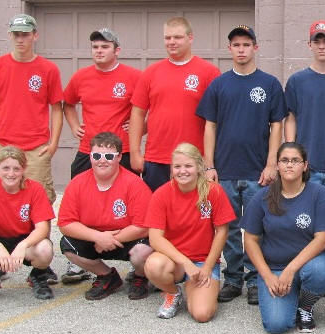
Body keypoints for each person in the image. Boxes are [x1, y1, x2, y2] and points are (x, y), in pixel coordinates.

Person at [196, 25, 286, 306]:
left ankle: (255, 279)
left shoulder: (270, 84)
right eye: (236, 45)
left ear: (255, 48)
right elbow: (210, 126)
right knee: (229, 228)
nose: (241, 49)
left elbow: (277, 126)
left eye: (246, 44)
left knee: (258, 228)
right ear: (229, 49)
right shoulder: (219, 85)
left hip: (258, 171)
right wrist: (208, 165)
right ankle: (233, 279)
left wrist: (272, 164)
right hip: (225, 171)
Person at [61, 28, 141, 285]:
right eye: (95, 47)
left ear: (117, 50)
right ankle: (84, 257)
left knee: (129, 206)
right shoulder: (81, 77)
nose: (99, 51)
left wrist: (142, 128)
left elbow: (151, 107)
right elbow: (67, 103)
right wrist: (74, 125)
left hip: (122, 151)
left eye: (104, 46)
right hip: (89, 151)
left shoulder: (133, 77)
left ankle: (134, 257)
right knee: (82, 204)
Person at [240, 143, 325, 334]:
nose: (289, 165)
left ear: (305, 165)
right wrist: (267, 276)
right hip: (275, 268)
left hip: (308, 265)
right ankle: (291, 293)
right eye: (284, 160)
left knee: (321, 270)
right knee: (277, 325)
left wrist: (291, 270)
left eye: (295, 160)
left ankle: (306, 306)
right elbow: (250, 240)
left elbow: (323, 239)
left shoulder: (319, 194)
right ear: (277, 165)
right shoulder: (263, 196)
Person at [284, 20, 325, 301]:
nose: (322, 46)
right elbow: (291, 118)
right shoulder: (298, 81)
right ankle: (301, 275)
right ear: (310, 45)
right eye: (317, 41)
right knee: (301, 224)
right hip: (305, 168)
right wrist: (291, 154)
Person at [0, 14, 63, 205]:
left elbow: (57, 108)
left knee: (40, 201)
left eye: (25, 34)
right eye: (16, 34)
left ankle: (39, 228)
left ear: (35, 35)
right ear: (10, 35)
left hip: (36, 149)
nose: (20, 39)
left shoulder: (49, 69)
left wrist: (54, 143)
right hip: (1, 145)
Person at [143, 143, 235, 322]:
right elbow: (155, 239)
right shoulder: (161, 194)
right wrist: (185, 263)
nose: (182, 171)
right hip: (175, 261)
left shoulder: (213, 191)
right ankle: (172, 292)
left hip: (202, 261)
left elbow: (222, 232)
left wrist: (207, 267)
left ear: (199, 167)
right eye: (177, 166)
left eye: (188, 166)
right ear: (171, 168)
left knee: (202, 314)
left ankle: (194, 288)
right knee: (153, 265)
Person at [58, 132, 154, 301]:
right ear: (90, 156)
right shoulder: (77, 183)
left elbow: (143, 227)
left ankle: (140, 277)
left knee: (144, 250)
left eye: (109, 156)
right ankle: (107, 276)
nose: (102, 160)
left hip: (126, 239)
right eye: (97, 156)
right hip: (95, 239)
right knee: (68, 244)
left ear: (119, 157)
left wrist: (109, 239)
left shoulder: (135, 184)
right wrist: (98, 237)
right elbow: (65, 223)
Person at [129, 16, 220, 192]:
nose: (171, 42)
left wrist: (209, 161)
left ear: (190, 38)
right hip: (156, 159)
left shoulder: (209, 72)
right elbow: (138, 113)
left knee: (193, 208)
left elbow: (214, 121)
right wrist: (135, 153)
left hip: (194, 160)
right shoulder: (150, 73)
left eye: (177, 37)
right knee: (156, 207)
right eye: (167, 37)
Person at [0, 146, 55, 304]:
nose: (11, 173)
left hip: (25, 240)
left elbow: (42, 228)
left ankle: (38, 277)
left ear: (24, 169)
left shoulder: (35, 189)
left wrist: (23, 245)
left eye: (16, 169)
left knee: (45, 249)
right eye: (6, 168)